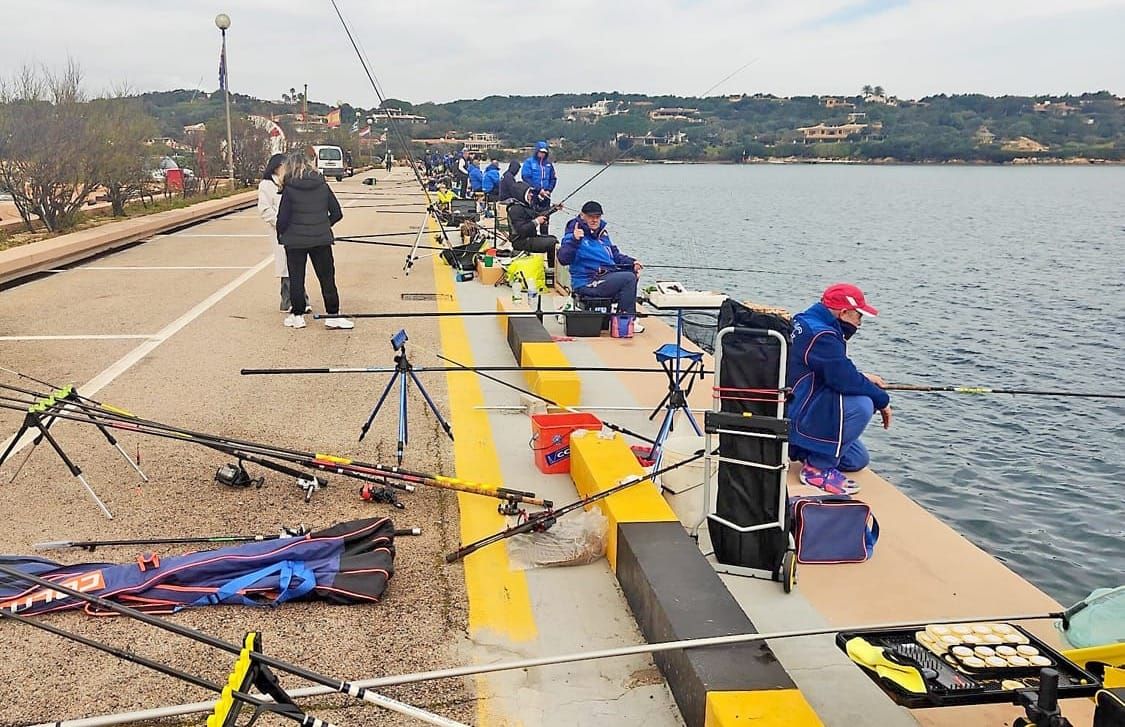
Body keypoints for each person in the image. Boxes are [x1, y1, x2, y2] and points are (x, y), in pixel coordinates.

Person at [786, 283, 892, 494]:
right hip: (798, 410)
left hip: (798, 398)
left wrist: (862, 378)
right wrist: (883, 400)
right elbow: (843, 380)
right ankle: (816, 470)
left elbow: (834, 368)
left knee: (857, 460)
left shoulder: (806, 320)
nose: (859, 324)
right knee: (863, 404)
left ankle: (806, 449)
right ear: (844, 312)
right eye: (858, 316)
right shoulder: (822, 336)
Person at [275, 152, 353, 330]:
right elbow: (337, 213)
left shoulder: (289, 188)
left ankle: (297, 316)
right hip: (321, 239)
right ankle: (333, 315)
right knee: (327, 277)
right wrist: (324, 225)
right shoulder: (322, 184)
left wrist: (283, 235)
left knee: (297, 278)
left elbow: (283, 218)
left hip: (294, 241)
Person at [558, 201, 644, 332]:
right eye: (591, 216)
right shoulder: (574, 234)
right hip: (587, 282)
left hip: (605, 276)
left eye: (597, 217)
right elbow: (563, 259)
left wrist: (633, 263)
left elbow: (615, 255)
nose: (594, 220)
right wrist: (575, 240)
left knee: (632, 273)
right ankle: (625, 320)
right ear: (582, 216)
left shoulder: (603, 235)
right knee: (628, 278)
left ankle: (621, 312)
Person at [257, 153, 306, 315]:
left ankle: (298, 300)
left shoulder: (289, 182)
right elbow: (264, 209)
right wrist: (279, 223)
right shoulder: (266, 185)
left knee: (295, 264)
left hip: (294, 229)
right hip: (279, 229)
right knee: (286, 266)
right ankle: (289, 301)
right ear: (278, 166)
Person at [507, 182, 558, 271]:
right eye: (529, 192)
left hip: (528, 238)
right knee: (553, 243)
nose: (531, 194)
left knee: (553, 238)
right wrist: (537, 221)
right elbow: (521, 230)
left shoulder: (524, 206)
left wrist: (553, 209)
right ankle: (552, 270)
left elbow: (539, 213)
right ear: (521, 194)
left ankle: (552, 270)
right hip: (521, 242)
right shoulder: (515, 209)